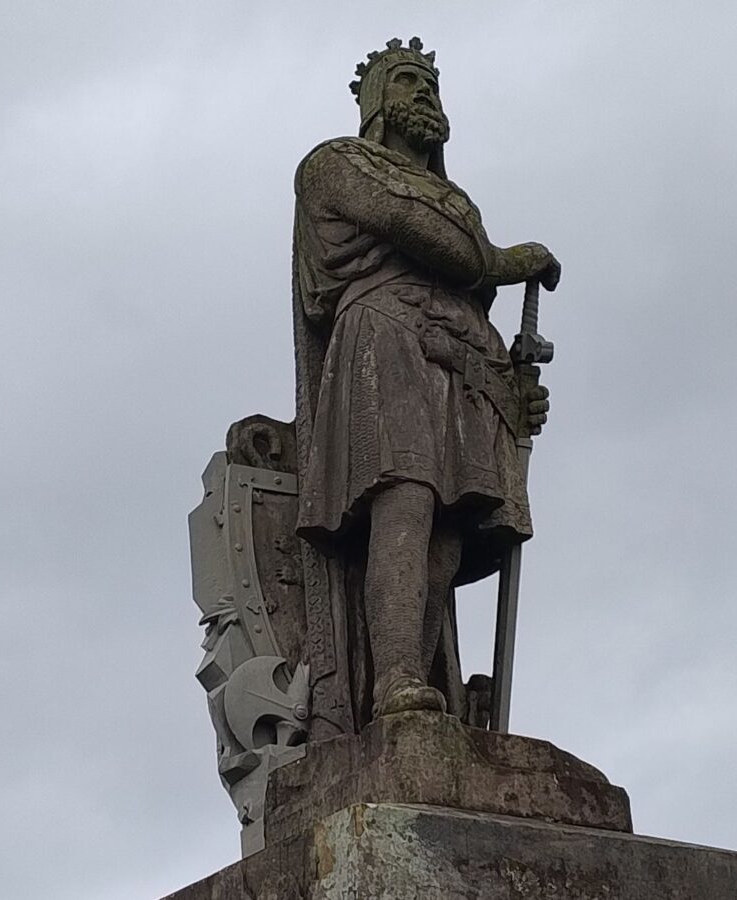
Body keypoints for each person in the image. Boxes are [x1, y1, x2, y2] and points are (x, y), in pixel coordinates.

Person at [291, 37, 560, 725]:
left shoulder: (455, 196)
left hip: (463, 356)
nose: (424, 96)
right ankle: (394, 682)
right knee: (405, 499)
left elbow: (466, 283)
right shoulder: (336, 163)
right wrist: (502, 258)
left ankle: (422, 674)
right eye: (407, 82)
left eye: (431, 85)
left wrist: (510, 389)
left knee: (452, 521)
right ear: (378, 99)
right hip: (386, 337)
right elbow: (425, 236)